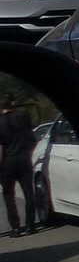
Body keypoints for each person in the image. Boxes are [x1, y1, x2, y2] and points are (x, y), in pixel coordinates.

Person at [0, 95, 36, 237]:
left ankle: (15, 228)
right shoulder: (24, 117)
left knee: (9, 195)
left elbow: (0, 147)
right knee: (29, 193)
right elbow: (32, 139)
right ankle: (30, 226)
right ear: (13, 103)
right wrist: (27, 153)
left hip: (7, 162)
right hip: (24, 159)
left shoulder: (0, 121)